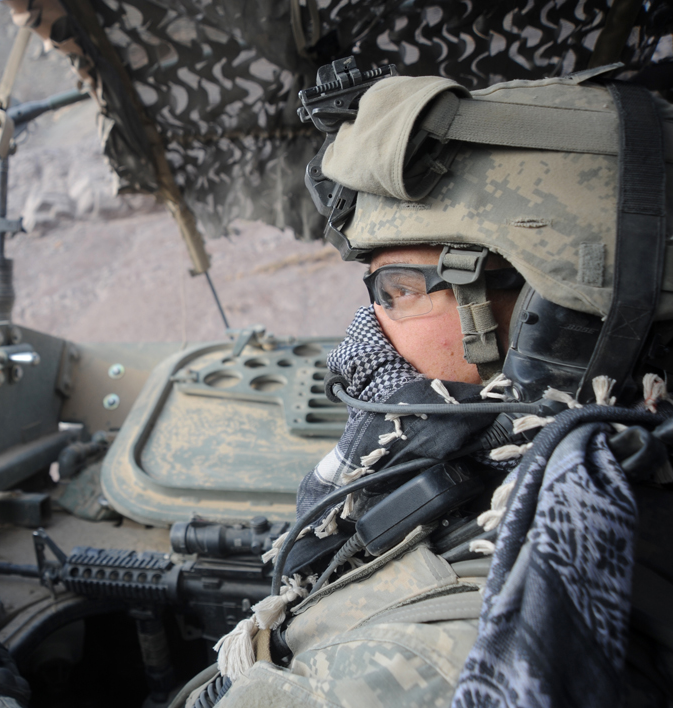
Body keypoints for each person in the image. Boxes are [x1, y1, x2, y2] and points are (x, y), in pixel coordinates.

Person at [185, 66, 673, 708]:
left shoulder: (420, 663)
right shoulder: (624, 462)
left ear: (551, 322)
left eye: (401, 291)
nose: (366, 332)